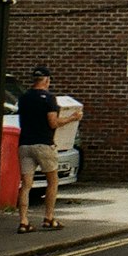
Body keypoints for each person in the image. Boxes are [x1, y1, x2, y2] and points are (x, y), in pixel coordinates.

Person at [16, 65, 83, 233]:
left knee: (26, 185)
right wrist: (72, 118)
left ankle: (24, 221)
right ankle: (49, 218)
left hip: (25, 144)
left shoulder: (23, 98)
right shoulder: (49, 99)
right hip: (44, 144)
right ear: (46, 80)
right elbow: (53, 123)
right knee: (53, 181)